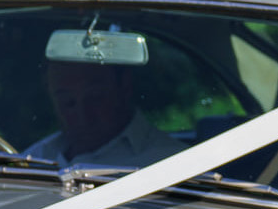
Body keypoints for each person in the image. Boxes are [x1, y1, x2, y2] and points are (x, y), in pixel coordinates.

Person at [24, 61, 182, 168]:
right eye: (68, 102)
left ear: (124, 86)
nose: (83, 116)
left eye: (95, 98)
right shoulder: (35, 159)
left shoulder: (171, 163)